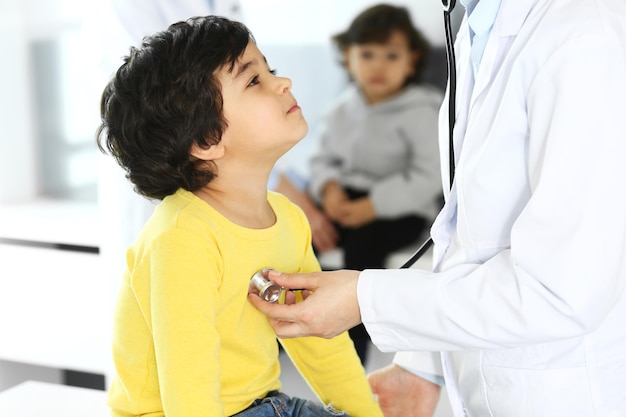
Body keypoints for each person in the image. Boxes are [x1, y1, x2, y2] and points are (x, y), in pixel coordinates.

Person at [249, 0, 626, 416]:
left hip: (563, 394)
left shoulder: (587, 35)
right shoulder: (477, 27)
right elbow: (468, 231)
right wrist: (423, 364)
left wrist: (364, 299)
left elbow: (561, 290)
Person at [96, 16, 384, 417]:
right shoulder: (182, 239)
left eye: (272, 71)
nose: (283, 83)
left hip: (264, 405)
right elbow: (188, 388)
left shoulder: (287, 218)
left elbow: (317, 337)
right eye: (254, 81)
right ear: (207, 140)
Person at [307, 4, 443, 365]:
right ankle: (298, 337)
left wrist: (374, 206)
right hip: (347, 199)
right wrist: (330, 189)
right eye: (367, 54)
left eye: (391, 55)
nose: (378, 66)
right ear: (347, 56)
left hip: (400, 210)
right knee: (299, 236)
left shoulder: (423, 110)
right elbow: (323, 161)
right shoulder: (341, 110)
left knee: (362, 253)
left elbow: (427, 176)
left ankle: (354, 354)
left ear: (411, 61)